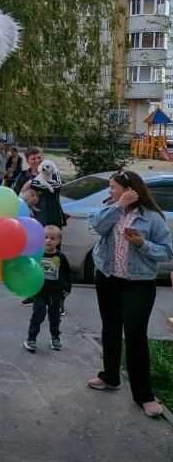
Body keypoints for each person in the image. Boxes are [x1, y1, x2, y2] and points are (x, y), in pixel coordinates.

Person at [89, 170, 173, 418]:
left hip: (138, 283)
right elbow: (96, 226)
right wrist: (117, 205)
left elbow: (167, 252)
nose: (109, 191)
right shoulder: (110, 209)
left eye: (113, 188)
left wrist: (141, 244)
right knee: (110, 328)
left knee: (135, 335)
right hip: (107, 277)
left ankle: (144, 394)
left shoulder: (152, 219)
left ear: (130, 190)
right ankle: (110, 376)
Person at [23, 225, 71, 353]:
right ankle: (31, 338)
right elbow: (30, 271)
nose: (48, 240)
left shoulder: (61, 257)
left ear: (58, 241)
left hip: (56, 292)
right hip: (40, 291)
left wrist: (66, 289)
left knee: (55, 316)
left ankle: (55, 337)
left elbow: (67, 274)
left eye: (52, 238)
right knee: (38, 314)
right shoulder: (37, 255)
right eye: (45, 238)